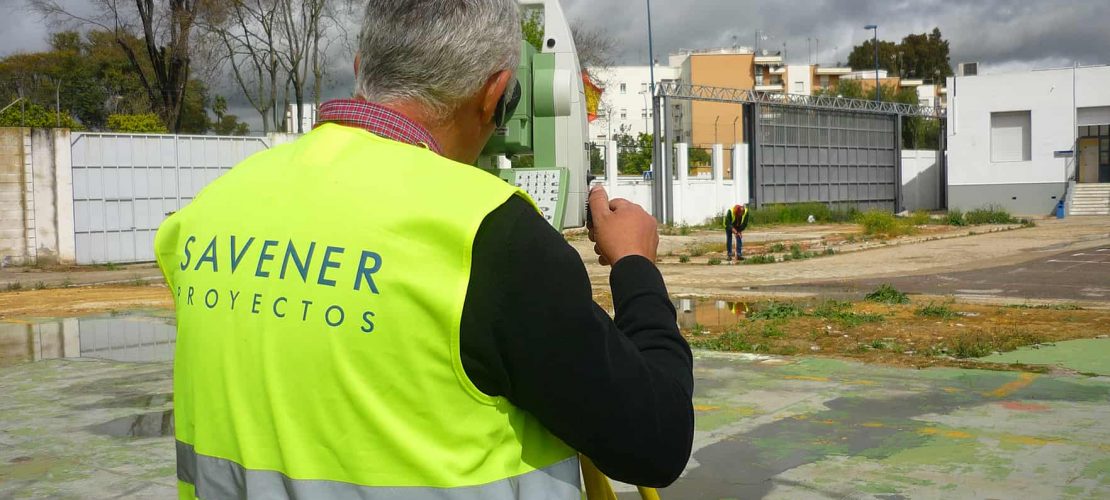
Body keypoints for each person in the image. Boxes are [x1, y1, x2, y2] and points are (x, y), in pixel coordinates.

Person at [154, 1, 693, 498]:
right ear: (495, 92)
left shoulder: (207, 213)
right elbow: (657, 440)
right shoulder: (490, 237)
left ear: (365, 65)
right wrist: (635, 266)